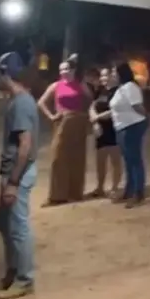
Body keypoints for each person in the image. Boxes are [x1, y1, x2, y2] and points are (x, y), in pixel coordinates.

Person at [0, 52, 39, 299]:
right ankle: (12, 272)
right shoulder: (17, 100)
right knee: (4, 223)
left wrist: (13, 183)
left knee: (18, 228)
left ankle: (25, 279)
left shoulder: (21, 104)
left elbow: (25, 147)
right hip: (11, 172)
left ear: (5, 74)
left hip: (18, 174)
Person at [37, 57, 93, 206]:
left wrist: (87, 116)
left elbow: (90, 101)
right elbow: (41, 102)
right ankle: (56, 195)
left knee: (77, 158)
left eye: (67, 69)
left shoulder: (81, 85)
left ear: (73, 70)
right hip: (62, 121)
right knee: (58, 157)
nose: (64, 72)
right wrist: (51, 116)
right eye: (61, 69)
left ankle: (75, 193)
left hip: (78, 122)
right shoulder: (56, 86)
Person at [110, 62, 149, 208]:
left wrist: (146, 117)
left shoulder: (130, 87)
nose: (113, 75)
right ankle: (129, 190)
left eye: (114, 72)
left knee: (135, 160)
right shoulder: (120, 89)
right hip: (122, 127)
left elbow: (137, 106)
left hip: (132, 126)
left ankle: (138, 193)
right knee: (128, 161)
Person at [86, 67, 122, 199]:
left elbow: (115, 111)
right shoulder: (100, 91)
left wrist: (97, 117)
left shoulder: (118, 91)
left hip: (113, 128)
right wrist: (95, 122)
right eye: (101, 76)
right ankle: (100, 188)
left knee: (115, 160)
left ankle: (114, 188)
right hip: (100, 130)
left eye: (106, 75)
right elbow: (92, 106)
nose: (103, 79)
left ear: (112, 76)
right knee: (100, 160)